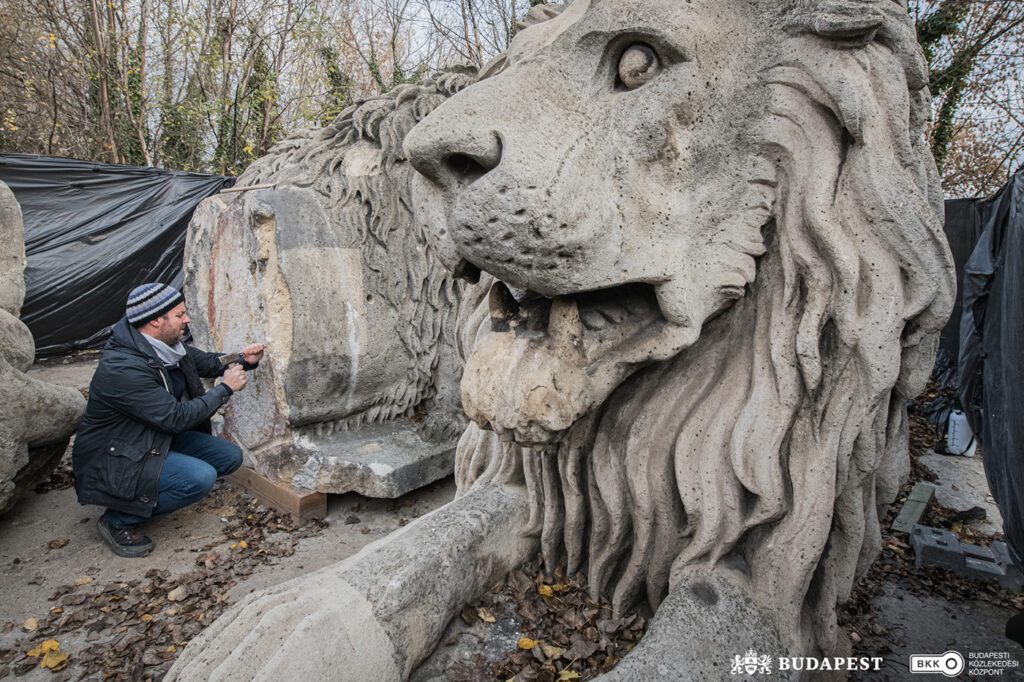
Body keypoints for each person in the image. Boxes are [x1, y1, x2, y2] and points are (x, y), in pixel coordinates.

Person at [72, 283, 264, 557]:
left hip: (151, 438)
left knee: (228, 456)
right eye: (180, 314)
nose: (187, 320)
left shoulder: (167, 347)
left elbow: (210, 363)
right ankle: (118, 519)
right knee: (200, 478)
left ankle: (151, 493)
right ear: (155, 320)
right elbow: (175, 418)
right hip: (116, 455)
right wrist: (226, 389)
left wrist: (243, 358)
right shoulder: (123, 368)